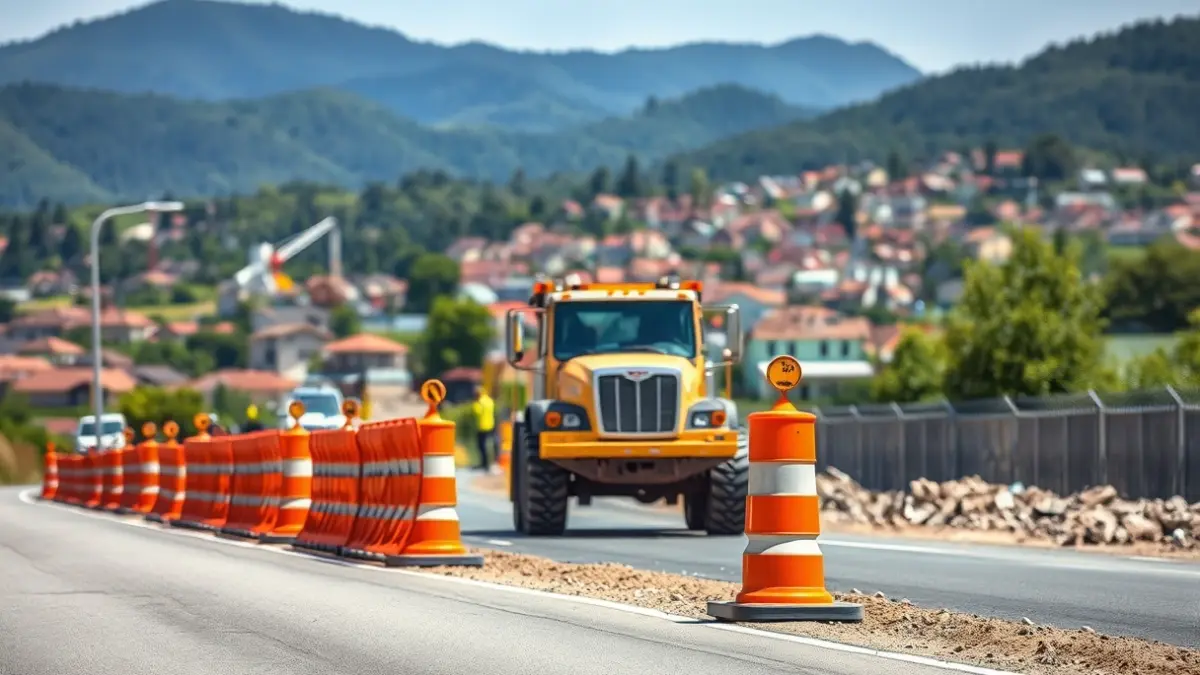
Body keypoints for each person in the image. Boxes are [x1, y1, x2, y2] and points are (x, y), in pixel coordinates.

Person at [470, 385, 497, 473]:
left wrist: (475, 403)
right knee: (490, 445)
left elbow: (476, 411)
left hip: (482, 426)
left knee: (482, 446)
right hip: (491, 425)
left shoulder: (480, 402)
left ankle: (484, 464)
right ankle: (490, 463)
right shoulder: (490, 401)